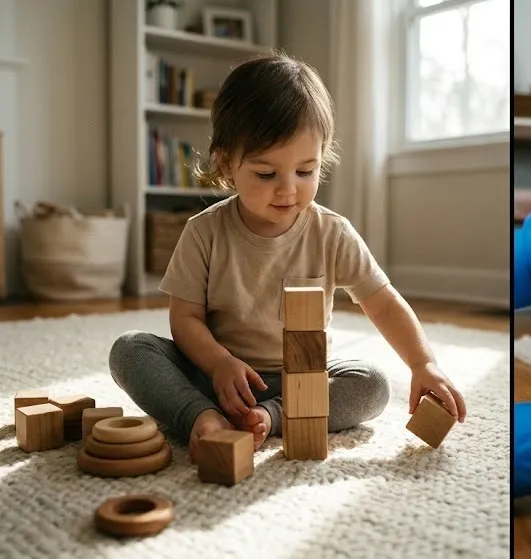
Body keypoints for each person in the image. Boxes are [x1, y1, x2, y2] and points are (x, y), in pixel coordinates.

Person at [108, 52, 467, 461]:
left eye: (305, 171)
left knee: (372, 383)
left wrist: (424, 364)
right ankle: (201, 417)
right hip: (217, 375)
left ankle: (272, 417)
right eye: (266, 174)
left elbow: (383, 302)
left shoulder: (332, 232)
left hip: (302, 380)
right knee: (131, 348)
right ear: (226, 163)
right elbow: (185, 319)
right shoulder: (203, 232)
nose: (288, 190)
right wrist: (220, 363)